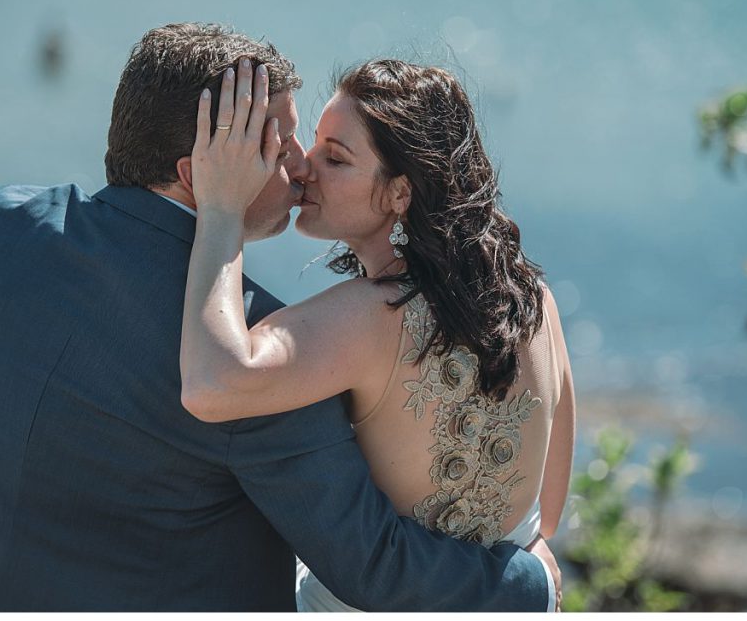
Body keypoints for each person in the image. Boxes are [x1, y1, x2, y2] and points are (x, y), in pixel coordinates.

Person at [0, 23, 560, 612]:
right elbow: (373, 565)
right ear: (201, 173)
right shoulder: (258, 347)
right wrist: (532, 578)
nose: (300, 167)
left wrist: (34, 483)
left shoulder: (5, 225)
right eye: (278, 147)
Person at [179, 57, 576, 612]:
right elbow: (548, 513)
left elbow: (211, 382)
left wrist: (220, 210)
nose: (305, 167)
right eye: (315, 144)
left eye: (335, 158)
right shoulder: (536, 302)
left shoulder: (371, 317)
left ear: (399, 194)